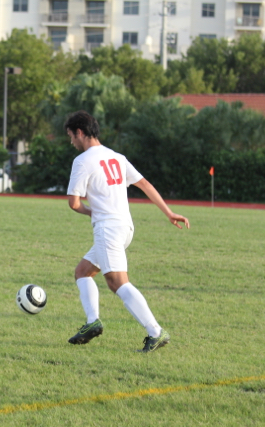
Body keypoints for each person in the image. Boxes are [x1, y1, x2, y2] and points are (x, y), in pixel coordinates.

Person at [64, 111, 189, 353]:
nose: (71, 142)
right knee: (82, 271)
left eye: (71, 136)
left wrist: (93, 213)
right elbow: (144, 184)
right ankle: (92, 323)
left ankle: (155, 331)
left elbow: (74, 203)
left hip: (108, 229)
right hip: (125, 227)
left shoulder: (82, 161)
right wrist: (169, 212)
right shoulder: (117, 157)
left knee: (116, 282)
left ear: (80, 132)